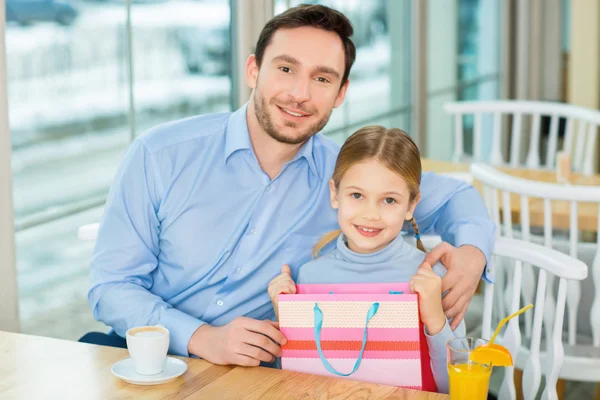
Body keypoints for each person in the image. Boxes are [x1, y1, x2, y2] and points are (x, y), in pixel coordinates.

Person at [83, 4, 494, 367]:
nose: (300, 94)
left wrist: (473, 254)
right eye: (285, 69)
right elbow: (112, 287)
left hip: (263, 372)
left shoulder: (350, 178)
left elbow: (458, 197)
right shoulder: (159, 155)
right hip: (147, 357)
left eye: (322, 78)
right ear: (253, 70)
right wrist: (201, 339)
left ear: (340, 93)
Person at [268, 126, 464, 393]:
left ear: (410, 206)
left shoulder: (435, 278)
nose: (371, 214)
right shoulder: (311, 276)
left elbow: (457, 389)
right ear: (335, 194)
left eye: (389, 200)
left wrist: (435, 320)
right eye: (357, 195)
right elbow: (299, 382)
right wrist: (288, 317)